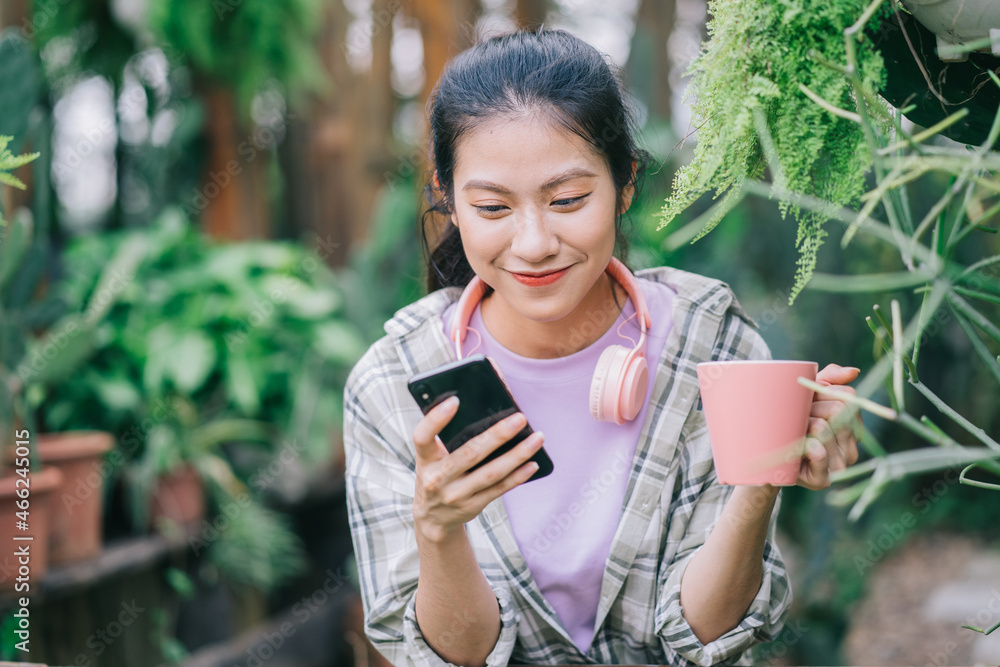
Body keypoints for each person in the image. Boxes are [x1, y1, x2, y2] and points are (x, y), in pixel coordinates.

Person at [343, 28, 861, 667]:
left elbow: (708, 637)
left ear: (627, 185)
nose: (533, 243)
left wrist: (760, 481)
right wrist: (438, 529)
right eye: (492, 207)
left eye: (567, 200)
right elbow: (453, 657)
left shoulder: (713, 347)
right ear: (450, 204)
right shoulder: (393, 382)